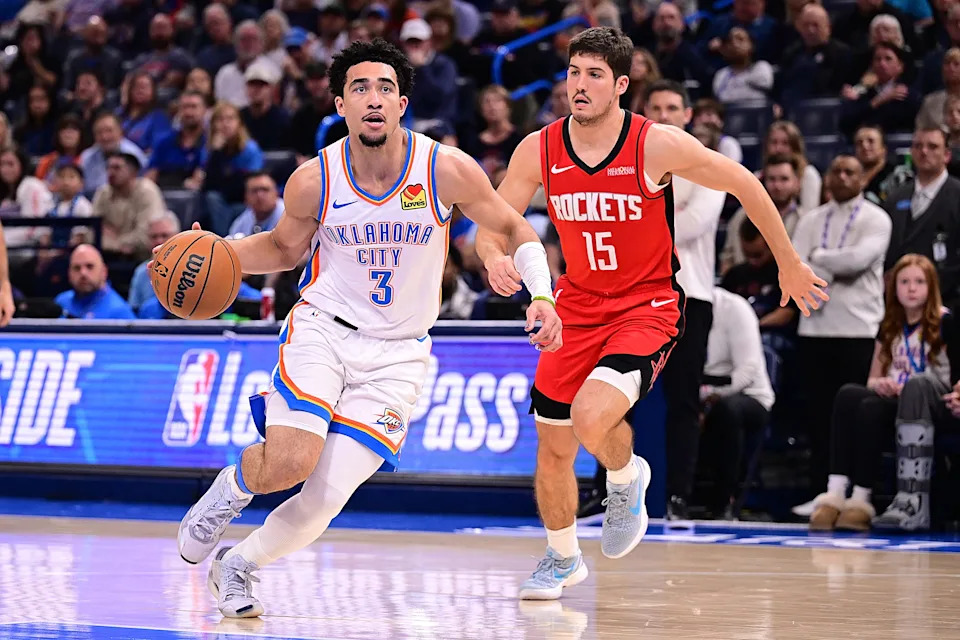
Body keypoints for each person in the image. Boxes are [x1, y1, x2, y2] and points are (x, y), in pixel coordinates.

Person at [172, 39, 562, 619]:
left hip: (401, 353)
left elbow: (515, 228)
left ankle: (240, 565)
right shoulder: (313, 179)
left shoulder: (444, 168)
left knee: (326, 497)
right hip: (325, 331)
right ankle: (230, 490)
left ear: (402, 103)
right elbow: (282, 249)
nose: (373, 99)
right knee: (290, 461)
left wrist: (541, 295)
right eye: (360, 88)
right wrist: (213, 251)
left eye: (385, 88)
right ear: (341, 104)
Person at [475, 27, 826, 600]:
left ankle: (625, 474)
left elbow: (742, 179)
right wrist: (493, 259)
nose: (579, 85)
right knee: (554, 447)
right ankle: (562, 559)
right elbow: (493, 226)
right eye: (573, 72)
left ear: (619, 86)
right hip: (575, 308)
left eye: (594, 75)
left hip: (647, 305)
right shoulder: (538, 148)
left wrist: (787, 261)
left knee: (592, 416)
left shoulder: (654, 143)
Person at [811, 254, 953, 531]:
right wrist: (882, 385)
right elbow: (873, 379)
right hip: (893, 399)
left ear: (931, 286)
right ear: (893, 287)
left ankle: (863, 497)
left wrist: (907, 386)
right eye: (904, 282)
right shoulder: (888, 325)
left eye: (919, 282)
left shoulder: (945, 322)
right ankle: (837, 491)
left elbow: (950, 379)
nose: (911, 288)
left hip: (928, 404)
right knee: (849, 395)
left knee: (872, 407)